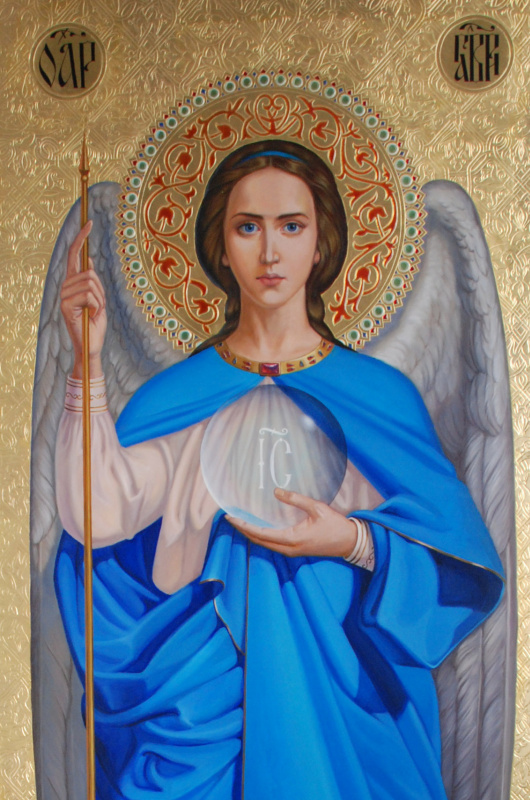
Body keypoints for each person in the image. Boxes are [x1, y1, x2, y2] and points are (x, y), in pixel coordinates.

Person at [55, 140, 504, 800]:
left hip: (347, 699)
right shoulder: (179, 398)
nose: (270, 253)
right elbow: (97, 515)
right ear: (220, 245)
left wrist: (350, 541)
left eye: (291, 226)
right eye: (248, 228)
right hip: (207, 708)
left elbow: (453, 558)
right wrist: (88, 363)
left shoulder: (378, 396)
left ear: (321, 244)